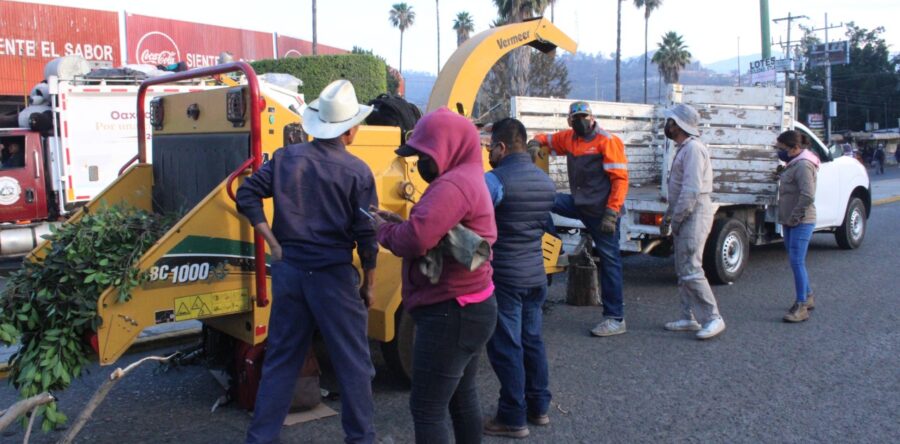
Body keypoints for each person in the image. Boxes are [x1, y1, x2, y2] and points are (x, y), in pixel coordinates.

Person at [236, 79, 378, 444]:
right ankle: (360, 439)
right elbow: (367, 235)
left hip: (291, 272)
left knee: (282, 360)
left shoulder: (286, 159)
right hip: (332, 277)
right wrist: (370, 283)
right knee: (353, 364)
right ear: (348, 131)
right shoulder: (358, 172)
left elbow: (247, 193)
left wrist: (271, 240)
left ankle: (260, 439)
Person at [374, 107, 498, 444]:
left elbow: (416, 240)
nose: (418, 164)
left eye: (424, 155)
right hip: (472, 307)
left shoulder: (453, 185)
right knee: (462, 398)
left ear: (447, 148)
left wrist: (382, 231)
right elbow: (433, 231)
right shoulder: (470, 175)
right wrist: (397, 224)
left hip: (451, 312)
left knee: (427, 407)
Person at [481, 118, 556, 438]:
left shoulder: (495, 181)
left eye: (490, 147)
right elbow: (545, 226)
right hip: (535, 275)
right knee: (532, 341)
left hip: (506, 277)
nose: (488, 153)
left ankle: (512, 416)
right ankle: (538, 408)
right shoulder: (545, 183)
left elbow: (477, 220)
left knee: (507, 345)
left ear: (501, 146)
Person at [528, 101, 629, 337]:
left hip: (603, 213)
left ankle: (615, 318)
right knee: (543, 199)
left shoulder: (607, 141)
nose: (582, 121)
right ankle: (557, 246)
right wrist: (535, 142)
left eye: (585, 117)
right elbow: (549, 139)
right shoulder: (570, 138)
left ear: (592, 118)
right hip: (581, 205)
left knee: (610, 262)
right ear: (570, 121)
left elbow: (620, 180)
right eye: (577, 118)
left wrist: (612, 213)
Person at [658, 105, 725, 340]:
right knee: (682, 268)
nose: (667, 125)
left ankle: (713, 318)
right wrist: (669, 217)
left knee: (691, 269)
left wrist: (676, 219)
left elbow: (691, 190)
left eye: (670, 121)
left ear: (678, 125)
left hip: (695, 212)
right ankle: (688, 317)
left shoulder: (694, 149)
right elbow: (677, 191)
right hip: (687, 212)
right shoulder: (684, 149)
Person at [774, 130, 820, 323]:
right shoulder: (793, 164)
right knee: (795, 260)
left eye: (782, 148)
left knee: (797, 262)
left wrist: (795, 216)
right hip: (790, 220)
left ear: (795, 148)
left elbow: (808, 195)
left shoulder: (803, 165)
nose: (779, 151)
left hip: (801, 220)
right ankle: (808, 296)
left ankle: (801, 306)